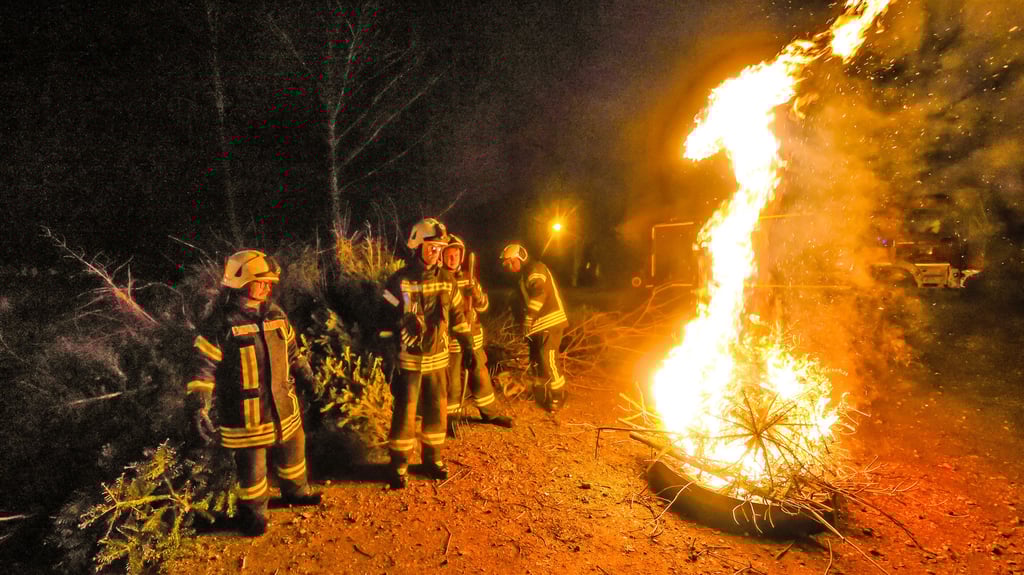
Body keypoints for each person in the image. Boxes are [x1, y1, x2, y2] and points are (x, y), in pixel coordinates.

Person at [185, 250, 321, 537]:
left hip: (284, 405)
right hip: (247, 413)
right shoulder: (221, 325)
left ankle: (296, 492)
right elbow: (202, 369)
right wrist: (199, 405)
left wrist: (307, 376)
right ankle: (254, 513)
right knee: (253, 467)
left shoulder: (276, 314)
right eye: (261, 282)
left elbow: (293, 352)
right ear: (240, 282)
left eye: (269, 282)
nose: (267, 287)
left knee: (294, 448)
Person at [379, 218, 475, 489]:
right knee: (405, 413)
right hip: (409, 360)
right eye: (431, 247)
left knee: (437, 411)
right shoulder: (399, 281)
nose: (436, 252)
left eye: (440, 248)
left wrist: (468, 344)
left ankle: (432, 460)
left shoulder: (447, 280)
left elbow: (457, 316)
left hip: (438, 360)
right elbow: (384, 319)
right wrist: (388, 351)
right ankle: (398, 464)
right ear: (418, 246)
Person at [442, 234, 514, 429]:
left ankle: (490, 414)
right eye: (449, 254)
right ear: (441, 255)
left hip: (473, 338)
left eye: (456, 254)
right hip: (452, 340)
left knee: (480, 375)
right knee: (452, 382)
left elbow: (483, 306)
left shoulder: (468, 277)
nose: (453, 258)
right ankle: (450, 420)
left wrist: (477, 295)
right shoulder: (439, 280)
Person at [500, 243, 569, 412]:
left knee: (548, 357)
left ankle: (558, 394)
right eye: (507, 264)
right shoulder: (523, 276)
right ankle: (541, 393)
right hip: (537, 326)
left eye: (511, 262)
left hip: (550, 321)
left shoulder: (535, 268)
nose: (509, 267)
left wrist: (529, 317)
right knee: (536, 360)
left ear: (520, 258)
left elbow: (540, 292)